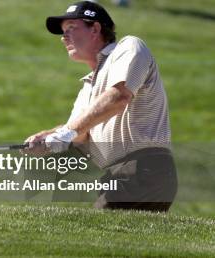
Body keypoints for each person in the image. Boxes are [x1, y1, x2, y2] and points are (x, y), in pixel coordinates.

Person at [23, 1, 176, 212]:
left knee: (97, 236)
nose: (63, 37)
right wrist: (47, 139)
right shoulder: (88, 86)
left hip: (142, 168)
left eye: (71, 28)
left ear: (95, 29)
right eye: (63, 32)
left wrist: (67, 132)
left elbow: (119, 96)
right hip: (120, 174)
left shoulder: (128, 47)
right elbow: (80, 135)